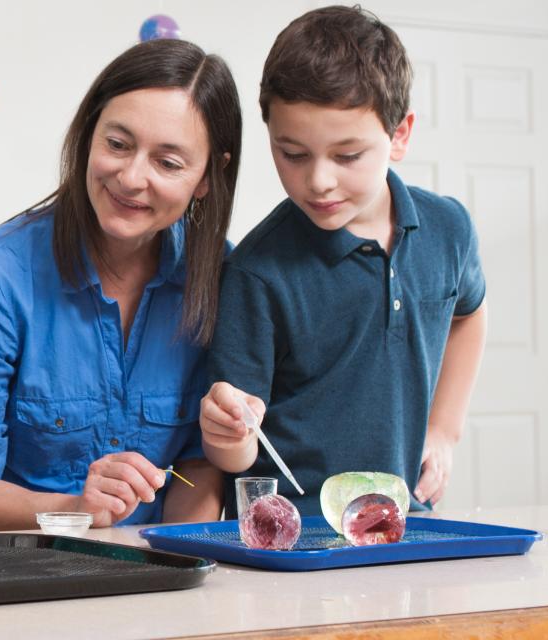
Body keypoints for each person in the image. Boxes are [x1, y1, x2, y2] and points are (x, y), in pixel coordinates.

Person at [0, 38, 241, 530]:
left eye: (168, 162)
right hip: (23, 580)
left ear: (208, 176)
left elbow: (196, 465)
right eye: (117, 145)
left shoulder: (221, 277)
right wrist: (75, 509)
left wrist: (177, 558)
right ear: (88, 136)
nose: (131, 177)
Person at [198, 6, 488, 515]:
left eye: (347, 156)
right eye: (293, 154)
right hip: (291, 542)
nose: (318, 181)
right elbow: (233, 456)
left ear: (399, 135)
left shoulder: (449, 230)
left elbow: (469, 315)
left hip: (404, 526)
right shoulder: (256, 272)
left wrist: (445, 430)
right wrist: (227, 434)